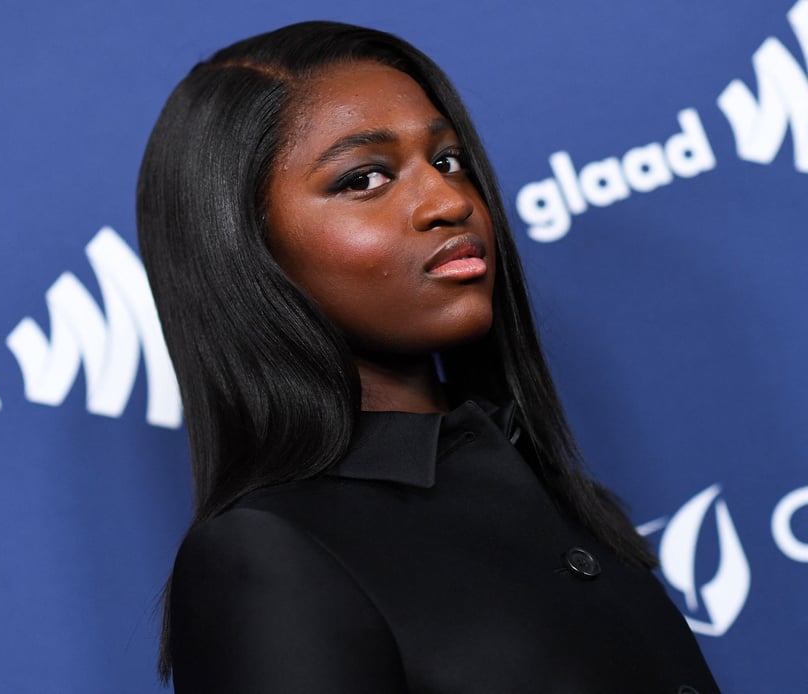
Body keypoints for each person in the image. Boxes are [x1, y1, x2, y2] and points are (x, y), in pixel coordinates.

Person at [136, 21, 720, 694]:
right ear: (244, 248)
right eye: (365, 178)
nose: (449, 202)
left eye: (447, 160)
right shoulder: (267, 555)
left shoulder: (553, 491)